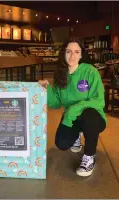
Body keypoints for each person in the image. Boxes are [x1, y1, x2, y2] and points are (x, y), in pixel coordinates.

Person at [39, 37, 107, 177]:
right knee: (62, 143)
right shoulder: (60, 74)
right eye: (68, 51)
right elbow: (55, 103)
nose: (72, 56)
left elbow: (99, 101)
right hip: (71, 117)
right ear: (63, 53)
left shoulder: (90, 71)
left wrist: (73, 109)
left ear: (81, 54)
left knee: (88, 116)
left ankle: (89, 156)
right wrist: (47, 89)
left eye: (76, 52)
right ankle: (77, 134)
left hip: (93, 117)